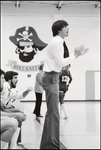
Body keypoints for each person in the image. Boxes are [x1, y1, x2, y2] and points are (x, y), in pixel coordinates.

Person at [40, 20, 88, 149]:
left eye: (68, 26)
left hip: (52, 77)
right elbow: (61, 62)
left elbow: (60, 61)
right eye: (65, 27)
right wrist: (76, 56)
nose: (68, 29)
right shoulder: (56, 42)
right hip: (51, 78)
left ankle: (48, 144)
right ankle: (51, 145)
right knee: (53, 113)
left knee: (52, 112)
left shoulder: (58, 41)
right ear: (58, 29)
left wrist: (74, 55)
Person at [1, 70, 33, 149]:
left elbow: (20, 95)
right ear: (9, 79)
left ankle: (13, 145)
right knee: (16, 119)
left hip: (2, 111)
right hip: (2, 113)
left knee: (19, 115)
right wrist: (15, 111)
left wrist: (27, 91)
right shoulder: (5, 85)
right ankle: (12, 146)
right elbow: (3, 108)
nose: (17, 80)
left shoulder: (8, 88)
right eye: (15, 78)